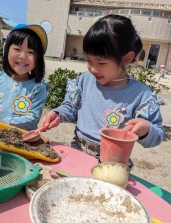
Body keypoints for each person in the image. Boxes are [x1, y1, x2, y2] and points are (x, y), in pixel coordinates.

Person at [40, 14, 164, 160]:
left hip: (113, 161)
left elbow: (158, 135)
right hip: (77, 152)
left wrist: (146, 129)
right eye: (88, 60)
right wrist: (58, 114)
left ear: (126, 58)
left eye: (101, 63)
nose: (93, 69)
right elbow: (71, 107)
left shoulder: (141, 95)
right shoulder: (85, 80)